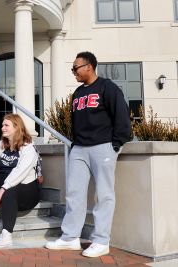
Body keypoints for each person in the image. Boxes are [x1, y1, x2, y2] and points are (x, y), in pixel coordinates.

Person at [45, 51, 131, 257]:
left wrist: (116, 144)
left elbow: (121, 115)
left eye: (75, 68)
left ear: (88, 67)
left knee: (103, 194)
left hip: (104, 147)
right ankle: (70, 238)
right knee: (74, 194)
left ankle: (102, 241)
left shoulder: (107, 87)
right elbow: (76, 123)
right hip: (80, 149)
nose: (73, 71)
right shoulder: (77, 94)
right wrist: (75, 144)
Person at [0, 113, 40, 249]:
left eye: (6, 125)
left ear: (17, 127)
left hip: (27, 191)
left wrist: (1, 191)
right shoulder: (0, 144)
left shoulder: (28, 148)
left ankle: (6, 236)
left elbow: (19, 173)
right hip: (7, 186)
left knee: (10, 189)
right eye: (2, 125)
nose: (2, 128)